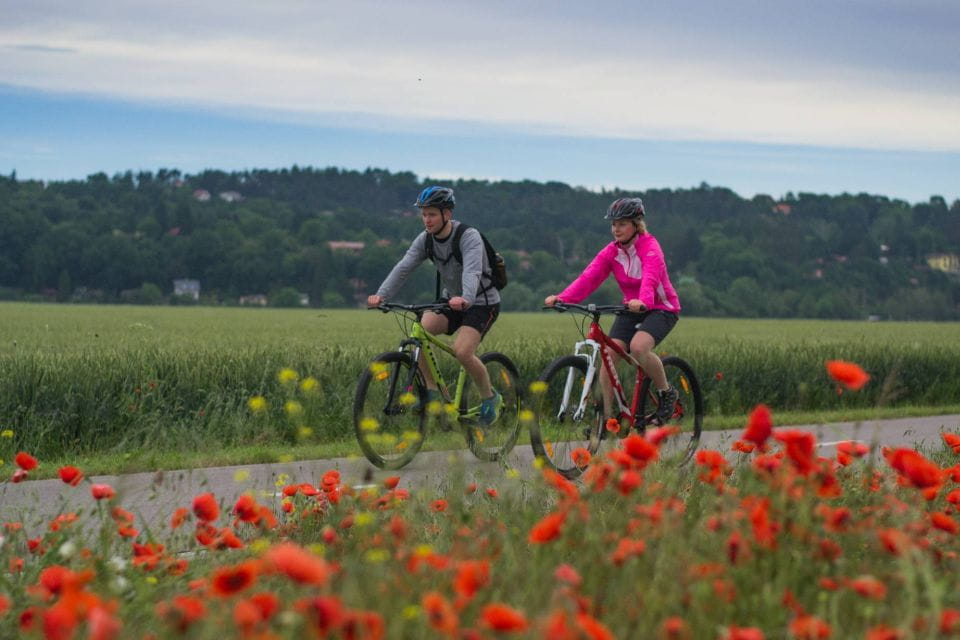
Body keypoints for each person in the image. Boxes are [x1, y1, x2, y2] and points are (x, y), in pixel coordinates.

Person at [367, 186, 503, 424]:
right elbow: (404, 267)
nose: (426, 220)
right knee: (420, 332)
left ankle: (490, 398)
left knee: (462, 351)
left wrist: (466, 299)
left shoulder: (468, 236)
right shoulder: (425, 240)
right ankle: (431, 393)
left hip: (482, 302)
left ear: (447, 214)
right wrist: (381, 295)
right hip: (451, 299)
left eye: (431, 214)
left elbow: (472, 271)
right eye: (423, 214)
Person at [544, 197, 681, 426]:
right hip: (629, 308)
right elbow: (589, 278)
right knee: (608, 356)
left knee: (638, 347)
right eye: (613, 224)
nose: (616, 229)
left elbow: (650, 278)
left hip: (660, 308)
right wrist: (563, 298)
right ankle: (606, 421)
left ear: (636, 225)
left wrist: (643, 300)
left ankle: (666, 392)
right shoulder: (611, 252)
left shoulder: (650, 247)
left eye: (622, 224)